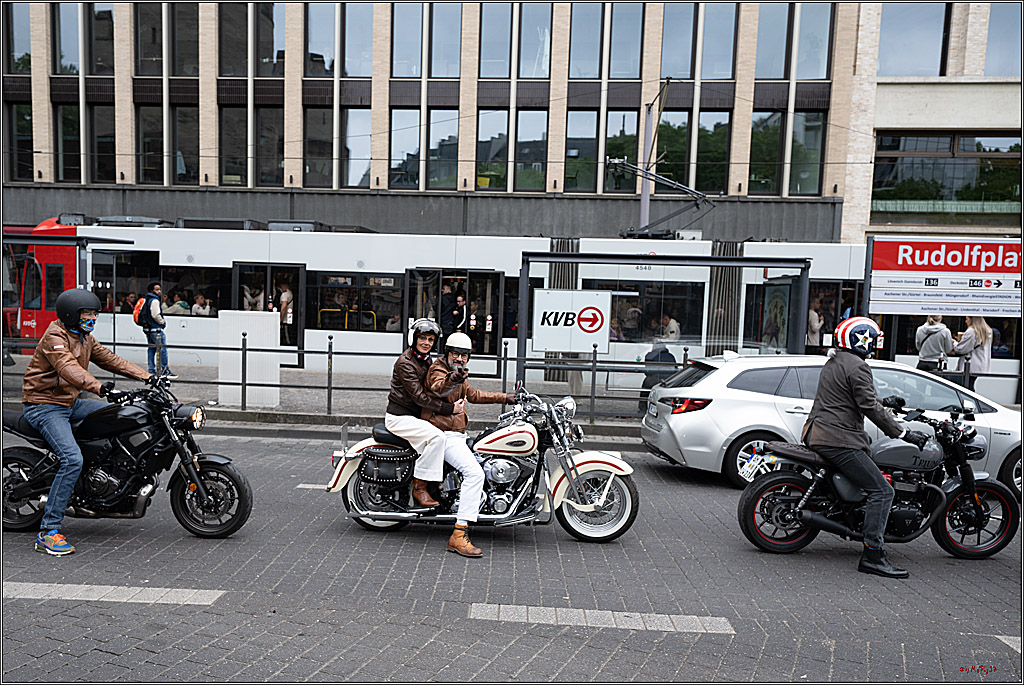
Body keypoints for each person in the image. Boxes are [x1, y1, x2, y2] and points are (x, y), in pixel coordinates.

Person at [22, 288, 151, 555]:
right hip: (44, 406)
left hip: (70, 403)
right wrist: (101, 388)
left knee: (120, 417)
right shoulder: (55, 337)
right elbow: (68, 369)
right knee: (72, 459)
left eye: (94, 313)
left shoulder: (84, 337)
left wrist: (147, 377)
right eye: (87, 313)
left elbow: (111, 360)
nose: (91, 318)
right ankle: (48, 532)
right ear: (71, 314)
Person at [802, 316, 929, 579]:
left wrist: (886, 400)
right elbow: (868, 406)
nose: (874, 344)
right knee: (882, 491)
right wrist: (904, 432)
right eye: (873, 339)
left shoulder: (835, 361)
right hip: (838, 439)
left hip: (818, 433)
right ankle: (873, 554)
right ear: (864, 339)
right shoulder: (858, 366)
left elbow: (855, 396)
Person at [423, 332, 515, 557]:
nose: (460, 359)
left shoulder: (458, 374)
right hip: (443, 434)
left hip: (456, 434)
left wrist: (507, 398)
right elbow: (439, 387)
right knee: (475, 474)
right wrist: (454, 378)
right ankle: (458, 534)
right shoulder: (439, 370)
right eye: (456, 354)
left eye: (464, 355)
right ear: (448, 353)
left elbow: (474, 394)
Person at [384, 319, 463, 509]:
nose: (426, 343)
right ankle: (419, 487)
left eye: (430, 339)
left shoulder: (426, 359)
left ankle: (440, 485)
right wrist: (449, 409)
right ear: (414, 338)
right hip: (400, 418)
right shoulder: (406, 363)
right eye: (422, 338)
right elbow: (420, 398)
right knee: (437, 438)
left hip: (414, 417)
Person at [140, 282, 177, 379]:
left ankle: (151, 370)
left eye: (160, 289)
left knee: (151, 349)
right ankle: (165, 370)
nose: (159, 291)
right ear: (152, 290)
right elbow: (155, 315)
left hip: (148, 329)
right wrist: (162, 322)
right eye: (157, 289)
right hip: (156, 329)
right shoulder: (155, 300)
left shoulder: (147, 299)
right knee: (162, 349)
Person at [952, 315, 992, 391]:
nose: (965, 321)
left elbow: (960, 349)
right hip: (979, 365)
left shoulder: (971, 331)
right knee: (970, 385)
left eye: (967, 319)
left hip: (970, 365)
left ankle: (970, 402)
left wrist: (954, 343)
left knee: (967, 387)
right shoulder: (987, 331)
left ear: (972, 320)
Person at [639, 342, 677, 411]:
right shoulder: (671, 356)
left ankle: (642, 408)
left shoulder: (650, 356)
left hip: (654, 379)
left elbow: (647, 371)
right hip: (668, 380)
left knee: (645, 387)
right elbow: (675, 370)